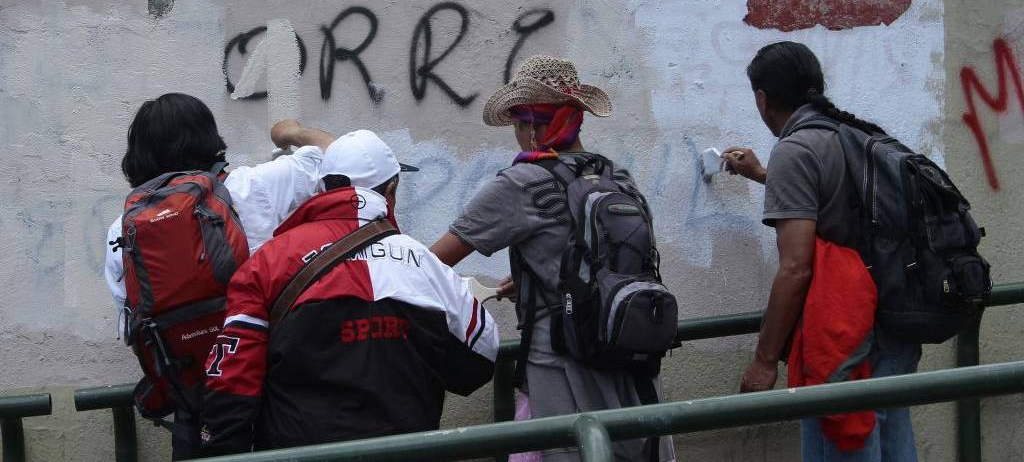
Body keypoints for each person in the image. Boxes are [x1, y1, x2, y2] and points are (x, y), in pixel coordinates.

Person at [430, 55, 676, 462]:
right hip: (631, 356)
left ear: (531, 126)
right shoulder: (618, 177)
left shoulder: (522, 182)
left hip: (563, 364)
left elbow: (428, 263)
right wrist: (538, 278)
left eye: (517, 123)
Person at [199, 129, 499, 455]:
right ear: (391, 191)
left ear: (322, 188)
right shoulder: (426, 265)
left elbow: (232, 381)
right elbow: (483, 356)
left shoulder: (267, 262)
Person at [104, 93, 340, 459]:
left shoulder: (123, 228)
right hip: (276, 393)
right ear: (208, 139)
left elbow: (131, 326)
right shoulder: (252, 185)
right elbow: (339, 155)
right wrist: (291, 133)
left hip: (197, 403)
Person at [723, 41, 920, 461]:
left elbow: (795, 268)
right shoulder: (854, 134)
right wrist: (764, 175)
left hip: (845, 333)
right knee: (892, 437)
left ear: (762, 98)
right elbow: (835, 198)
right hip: (894, 322)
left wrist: (764, 360)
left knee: (844, 442)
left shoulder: (795, 150)